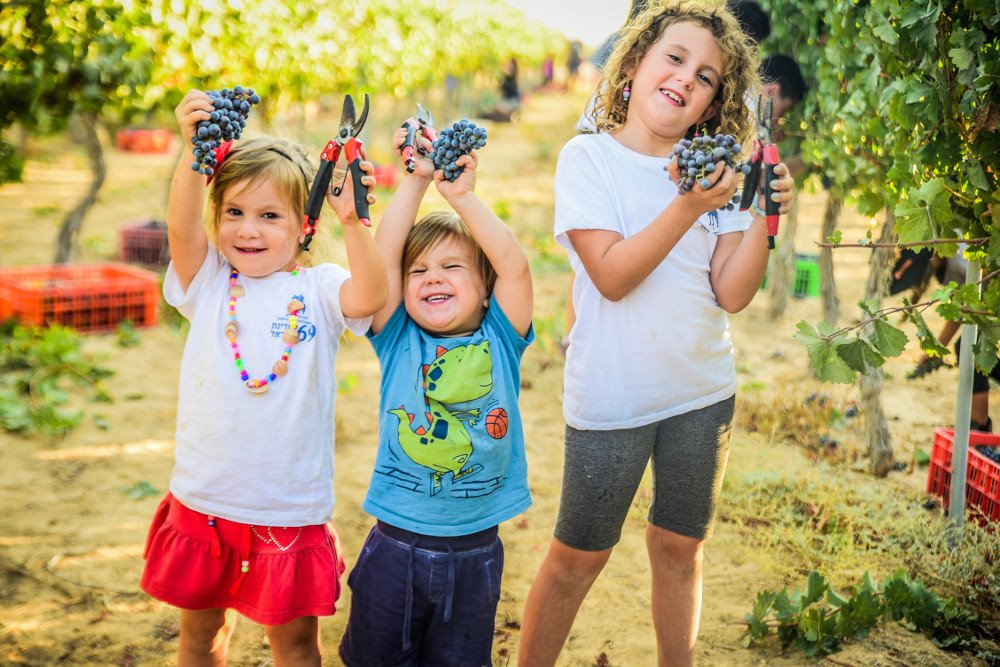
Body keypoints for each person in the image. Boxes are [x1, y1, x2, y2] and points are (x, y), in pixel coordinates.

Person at [518, 2, 795, 665]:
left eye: (706, 77)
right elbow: (612, 277)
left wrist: (761, 207)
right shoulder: (588, 159)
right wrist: (688, 204)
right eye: (675, 58)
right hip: (613, 396)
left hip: (702, 393)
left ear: (711, 104)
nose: (686, 79)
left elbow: (731, 291)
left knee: (679, 550)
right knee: (577, 558)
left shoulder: (721, 173)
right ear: (637, 61)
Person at [140, 89, 387, 665]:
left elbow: (371, 296)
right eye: (234, 213)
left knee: (296, 644)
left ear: (304, 225)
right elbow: (180, 230)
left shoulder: (320, 287)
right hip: (207, 498)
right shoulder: (209, 281)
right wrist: (192, 154)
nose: (247, 230)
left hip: (287, 506)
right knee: (201, 636)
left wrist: (354, 221)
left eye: (269, 215)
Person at [339, 125, 534, 666]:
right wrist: (416, 184)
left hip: (477, 551)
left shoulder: (501, 338)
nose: (432, 278)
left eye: (452, 267)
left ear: (485, 287)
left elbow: (515, 266)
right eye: (418, 270)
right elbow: (380, 265)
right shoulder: (399, 340)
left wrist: (462, 197)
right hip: (394, 547)